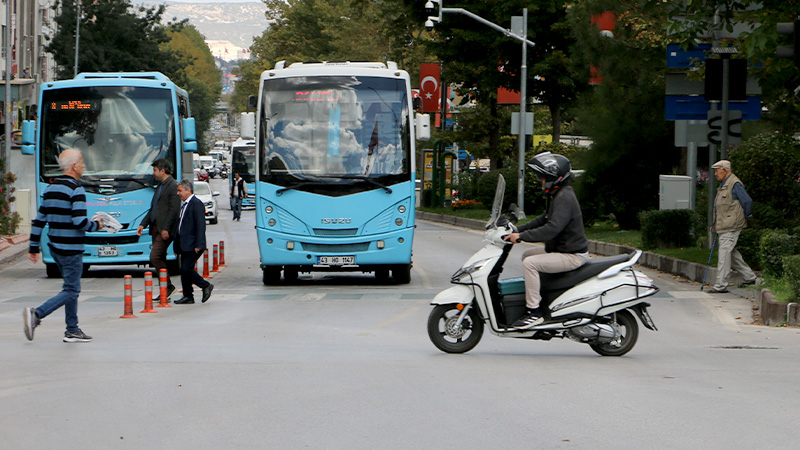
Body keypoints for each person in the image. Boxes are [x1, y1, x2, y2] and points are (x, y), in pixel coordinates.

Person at [24, 148, 104, 342]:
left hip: (55, 247)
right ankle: (37, 314)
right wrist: (98, 225)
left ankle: (72, 329)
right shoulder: (76, 189)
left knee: (70, 287)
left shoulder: (50, 189)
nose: (84, 166)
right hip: (71, 249)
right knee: (71, 290)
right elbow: (79, 221)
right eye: (83, 162)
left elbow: (39, 221)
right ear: (74, 166)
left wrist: (34, 248)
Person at [502, 152, 590, 329]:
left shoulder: (564, 197)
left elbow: (551, 229)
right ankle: (545, 296)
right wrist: (518, 229)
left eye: (542, 176)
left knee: (530, 264)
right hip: (561, 249)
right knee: (528, 256)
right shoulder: (557, 195)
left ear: (553, 177)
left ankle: (534, 313)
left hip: (572, 255)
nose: (539, 180)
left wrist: (521, 237)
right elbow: (543, 219)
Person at [710, 159, 757, 293]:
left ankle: (721, 285)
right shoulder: (725, 184)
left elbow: (747, 201)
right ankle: (749, 277)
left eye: (717, 171)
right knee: (730, 253)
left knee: (724, 254)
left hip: (731, 225)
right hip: (725, 225)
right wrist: (714, 224)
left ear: (724, 170)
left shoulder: (734, 184)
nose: (715, 174)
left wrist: (746, 216)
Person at [137, 158, 180, 301]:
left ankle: (168, 286)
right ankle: (164, 290)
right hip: (155, 228)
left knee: (154, 257)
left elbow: (174, 210)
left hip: (164, 229)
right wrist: (143, 224)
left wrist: (166, 229)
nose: (153, 173)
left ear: (163, 170)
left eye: (155, 170)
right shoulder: (160, 186)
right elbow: (153, 209)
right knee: (160, 258)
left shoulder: (173, 186)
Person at [173, 179, 213, 304]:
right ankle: (188, 295)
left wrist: (199, 244)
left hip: (193, 244)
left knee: (186, 269)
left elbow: (201, 225)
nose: (178, 193)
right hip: (183, 244)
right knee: (184, 270)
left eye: (180, 191)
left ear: (187, 190)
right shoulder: (185, 205)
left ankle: (205, 285)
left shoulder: (196, 204)